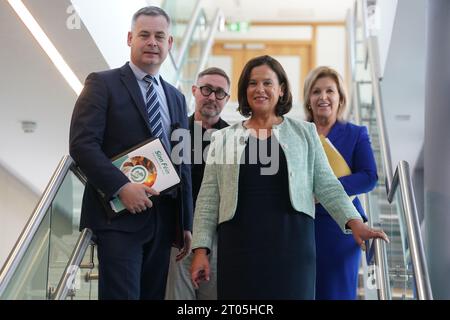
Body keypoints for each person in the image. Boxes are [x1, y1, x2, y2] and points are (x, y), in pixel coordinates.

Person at [189, 55, 388, 300]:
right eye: (252, 83)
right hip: (238, 247)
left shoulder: (304, 132)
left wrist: (355, 223)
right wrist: (201, 250)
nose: (259, 89)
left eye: (267, 83)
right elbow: (208, 199)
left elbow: (327, 184)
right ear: (244, 90)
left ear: (281, 89)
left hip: (292, 246)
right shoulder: (223, 138)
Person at [69, 6, 193, 300]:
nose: (152, 42)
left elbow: (183, 162)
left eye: (160, 36)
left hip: (163, 221)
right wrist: (121, 187)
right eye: (145, 35)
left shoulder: (176, 97)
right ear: (129, 38)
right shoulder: (102, 83)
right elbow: (82, 144)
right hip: (119, 218)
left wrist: (186, 222)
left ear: (169, 44)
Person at [303, 66, 378, 300]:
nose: (323, 97)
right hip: (304, 225)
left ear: (340, 98)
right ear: (308, 99)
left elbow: (369, 176)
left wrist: (326, 191)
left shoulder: (356, 133)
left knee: (337, 292)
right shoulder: (297, 133)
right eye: (316, 91)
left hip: (343, 227)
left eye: (330, 91)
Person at [165, 67, 230, 300]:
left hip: (218, 239)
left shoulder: (236, 139)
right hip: (180, 234)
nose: (212, 96)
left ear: (227, 99)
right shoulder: (174, 132)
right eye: (206, 89)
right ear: (194, 91)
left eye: (220, 92)